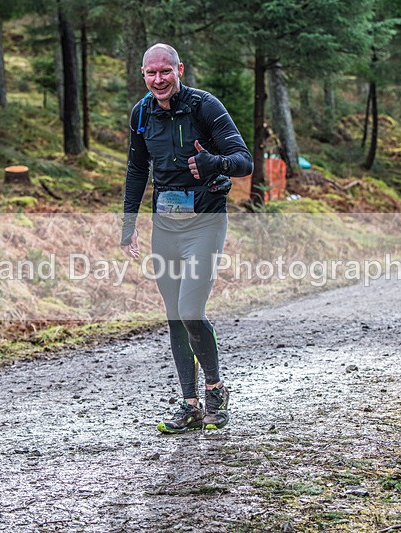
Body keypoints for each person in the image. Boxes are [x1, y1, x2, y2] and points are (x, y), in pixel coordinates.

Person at [120, 43, 253, 433]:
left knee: (190, 308)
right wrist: (129, 224)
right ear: (143, 75)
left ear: (179, 70)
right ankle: (189, 404)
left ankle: (215, 390)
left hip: (205, 223)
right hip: (166, 226)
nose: (158, 79)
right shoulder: (141, 113)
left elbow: (243, 161)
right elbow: (136, 170)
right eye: (151, 73)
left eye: (165, 71)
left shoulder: (204, 106)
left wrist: (215, 163)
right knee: (175, 314)